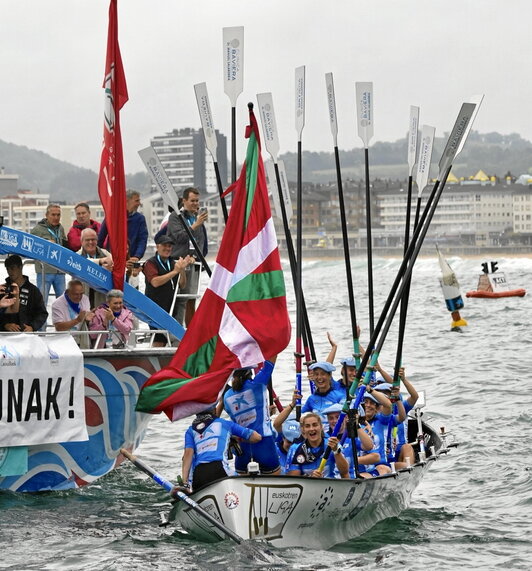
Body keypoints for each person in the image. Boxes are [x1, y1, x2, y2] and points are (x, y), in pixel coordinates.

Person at [181, 406, 261, 492]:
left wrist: (185, 483)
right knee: (249, 482)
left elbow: (187, 456)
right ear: (214, 410)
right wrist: (236, 438)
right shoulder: (224, 423)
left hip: (198, 476)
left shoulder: (190, 431)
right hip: (219, 469)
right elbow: (256, 437)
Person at [223, 357, 281, 476]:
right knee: (275, 486)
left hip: (242, 447)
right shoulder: (257, 384)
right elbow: (271, 361)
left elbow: (240, 417)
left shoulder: (226, 396)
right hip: (264, 443)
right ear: (250, 373)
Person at [166, 187, 208, 326]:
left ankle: (191, 331)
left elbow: (201, 242)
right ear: (184, 201)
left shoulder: (197, 218)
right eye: (192, 201)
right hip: (179, 263)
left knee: (192, 299)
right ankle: (177, 332)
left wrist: (196, 257)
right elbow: (179, 237)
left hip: (194, 264)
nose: (195, 203)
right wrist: (195, 225)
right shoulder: (175, 217)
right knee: (179, 299)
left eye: (197, 201)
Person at [143, 235, 195, 345]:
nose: (168, 248)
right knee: (159, 338)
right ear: (157, 247)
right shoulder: (150, 263)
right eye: (165, 246)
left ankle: (169, 359)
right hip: (155, 308)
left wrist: (182, 270)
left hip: (171, 308)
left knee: (167, 338)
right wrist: (175, 272)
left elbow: (182, 284)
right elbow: (155, 282)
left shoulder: (172, 263)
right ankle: (155, 359)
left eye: (170, 246)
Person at [375, 368, 419, 469]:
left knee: (407, 447)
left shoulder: (400, 407)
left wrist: (403, 379)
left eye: (386, 393)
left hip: (400, 449)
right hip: (384, 454)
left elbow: (414, 397)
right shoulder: (376, 414)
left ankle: (407, 470)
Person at [322, 403, 378, 479]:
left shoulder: (352, 436)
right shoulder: (325, 437)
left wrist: (356, 425)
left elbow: (369, 446)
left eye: (338, 418)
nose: (334, 421)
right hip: (330, 479)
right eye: (331, 418)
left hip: (349, 478)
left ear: (345, 418)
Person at [285, 412, 349, 478]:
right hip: (307, 487)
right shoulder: (295, 449)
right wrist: (310, 477)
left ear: (321, 427)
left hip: (330, 486)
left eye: (315, 425)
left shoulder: (332, 444)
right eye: (307, 426)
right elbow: (294, 479)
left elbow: (344, 472)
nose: (312, 429)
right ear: (303, 429)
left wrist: (336, 451)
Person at [98, 189, 149, 266]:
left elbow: (142, 240)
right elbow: (101, 237)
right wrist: (101, 256)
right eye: (136, 201)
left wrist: (137, 256)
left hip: (131, 260)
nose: (139, 203)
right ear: (127, 201)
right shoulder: (112, 216)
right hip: (112, 260)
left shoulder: (140, 219)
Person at [30, 203, 68, 306]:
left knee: (63, 303)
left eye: (58, 215)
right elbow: (30, 247)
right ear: (46, 215)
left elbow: (65, 246)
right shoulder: (37, 229)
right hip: (44, 271)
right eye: (53, 214)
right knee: (42, 303)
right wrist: (45, 243)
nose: (56, 217)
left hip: (60, 271)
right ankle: (43, 323)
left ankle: (60, 322)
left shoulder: (61, 229)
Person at [0, 255, 48, 332]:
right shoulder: (3, 289)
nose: (10, 272)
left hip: (27, 336)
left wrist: (32, 327)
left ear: (20, 267)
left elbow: (42, 313)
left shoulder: (33, 290)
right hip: (6, 336)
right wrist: (5, 325)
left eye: (12, 268)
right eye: (7, 269)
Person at [77, 228, 113, 307]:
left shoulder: (106, 254)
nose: (91, 242)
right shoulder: (77, 255)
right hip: (83, 296)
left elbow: (113, 269)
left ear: (97, 240)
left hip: (101, 298)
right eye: (87, 240)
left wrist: (110, 268)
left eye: (93, 239)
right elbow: (84, 263)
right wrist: (100, 261)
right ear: (82, 241)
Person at [52, 279, 94, 347]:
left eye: (81, 294)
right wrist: (77, 320)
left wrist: (90, 318)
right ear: (68, 292)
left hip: (81, 339)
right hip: (63, 341)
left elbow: (87, 316)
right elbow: (59, 327)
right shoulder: (57, 304)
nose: (79, 297)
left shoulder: (85, 299)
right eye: (76, 294)